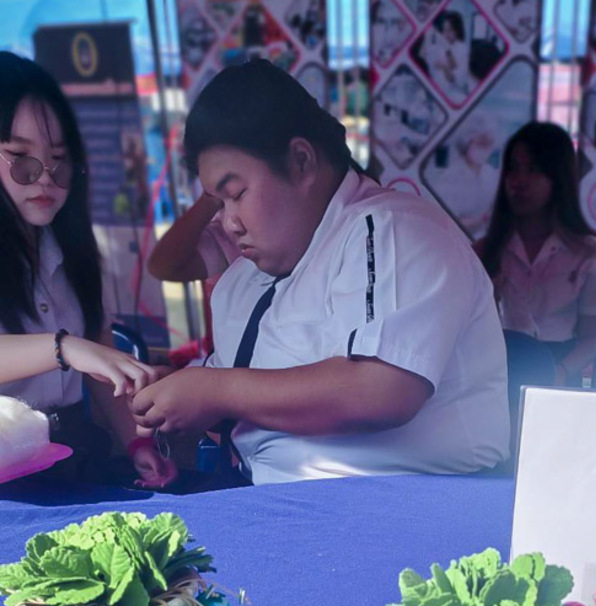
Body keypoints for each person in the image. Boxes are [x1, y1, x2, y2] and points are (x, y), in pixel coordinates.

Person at [130, 61, 509, 483]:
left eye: (236, 193)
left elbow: (382, 389)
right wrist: (181, 393)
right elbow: (170, 269)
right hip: (269, 492)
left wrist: (213, 390)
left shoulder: (389, 229)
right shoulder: (253, 271)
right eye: (218, 203)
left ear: (301, 161)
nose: (230, 222)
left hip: (388, 501)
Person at [0, 52, 173, 487]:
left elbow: (100, 365)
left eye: (59, 160)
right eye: (20, 158)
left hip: (75, 454)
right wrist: (65, 348)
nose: (45, 177)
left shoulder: (71, 249)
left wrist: (136, 444)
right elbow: (82, 351)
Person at [478, 122, 596, 387]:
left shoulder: (587, 254)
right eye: (513, 168)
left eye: (533, 170)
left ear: (558, 177)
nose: (519, 181)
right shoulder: (485, 251)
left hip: (560, 372)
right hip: (496, 372)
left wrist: (559, 373)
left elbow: (593, 338)